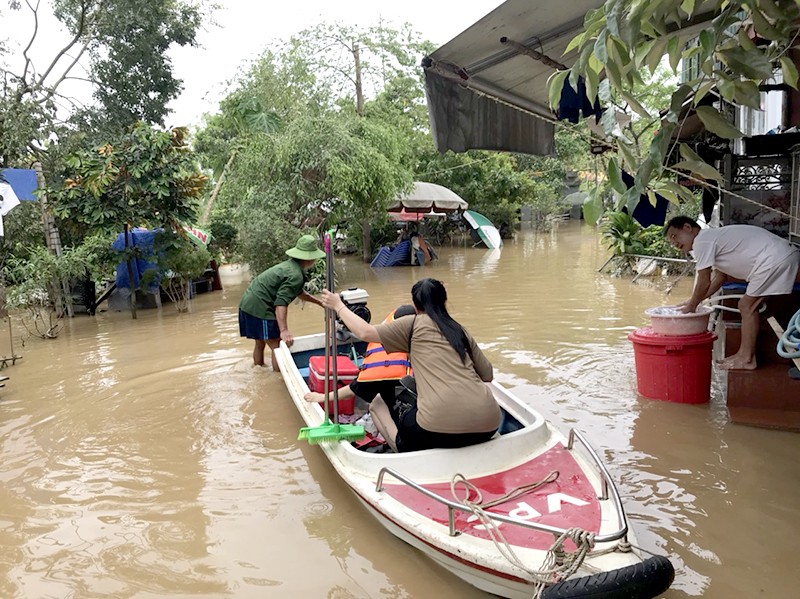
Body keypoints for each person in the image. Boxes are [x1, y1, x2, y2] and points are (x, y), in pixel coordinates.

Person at [319, 278, 500, 452]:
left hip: (438, 427)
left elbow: (365, 332)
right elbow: (487, 374)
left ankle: (400, 449)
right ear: (444, 301)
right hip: (489, 423)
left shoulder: (412, 324)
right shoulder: (460, 330)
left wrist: (338, 305)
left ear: (415, 305)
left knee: (378, 403)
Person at [664, 216, 800, 370]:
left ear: (687, 227)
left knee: (746, 306)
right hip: (779, 256)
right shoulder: (710, 238)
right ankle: (744, 355)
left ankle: (747, 359)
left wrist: (692, 306)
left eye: (674, 236)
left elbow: (703, 281)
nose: (674, 243)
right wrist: (694, 301)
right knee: (748, 305)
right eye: (671, 241)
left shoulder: (702, 240)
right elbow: (719, 278)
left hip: (775, 259)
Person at [303, 305, 416, 419]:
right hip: (422, 410)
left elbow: (353, 389)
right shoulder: (424, 344)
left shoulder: (383, 364)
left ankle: (395, 437)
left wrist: (323, 397)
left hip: (406, 423)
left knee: (375, 404)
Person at [239, 234, 325, 370]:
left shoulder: (290, 267)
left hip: (247, 305)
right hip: (260, 307)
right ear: (310, 258)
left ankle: (258, 370)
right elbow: (281, 302)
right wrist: (283, 330)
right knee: (277, 345)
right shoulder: (295, 274)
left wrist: (320, 303)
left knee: (260, 342)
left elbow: (299, 292)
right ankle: (278, 379)